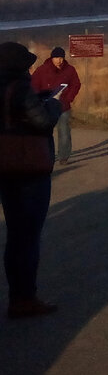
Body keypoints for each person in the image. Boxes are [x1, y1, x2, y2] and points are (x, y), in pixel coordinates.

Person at [0, 41, 63, 319]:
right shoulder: (21, 87)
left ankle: (20, 295)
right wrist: (54, 105)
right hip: (28, 168)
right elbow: (43, 122)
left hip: (5, 166)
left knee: (15, 235)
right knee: (28, 236)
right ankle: (24, 298)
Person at [30, 45, 81, 166]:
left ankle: (63, 156)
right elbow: (34, 85)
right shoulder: (42, 70)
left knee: (64, 132)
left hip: (62, 106)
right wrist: (39, 99)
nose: (59, 60)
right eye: (57, 57)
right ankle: (46, 156)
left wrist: (68, 98)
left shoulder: (70, 70)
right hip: (45, 107)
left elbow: (76, 84)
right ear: (52, 58)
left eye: (61, 57)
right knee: (45, 133)